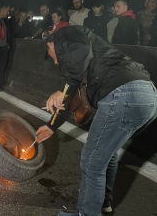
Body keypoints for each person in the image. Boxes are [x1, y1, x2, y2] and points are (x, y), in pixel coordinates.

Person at [37, 26, 157, 216]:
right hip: (146, 96)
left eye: (50, 53)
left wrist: (62, 87)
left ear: (51, 43)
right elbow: (69, 100)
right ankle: (103, 204)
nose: (53, 60)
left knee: (92, 161)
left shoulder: (68, 35)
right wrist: (51, 126)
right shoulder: (87, 62)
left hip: (123, 95)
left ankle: (87, 213)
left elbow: (78, 51)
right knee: (106, 155)